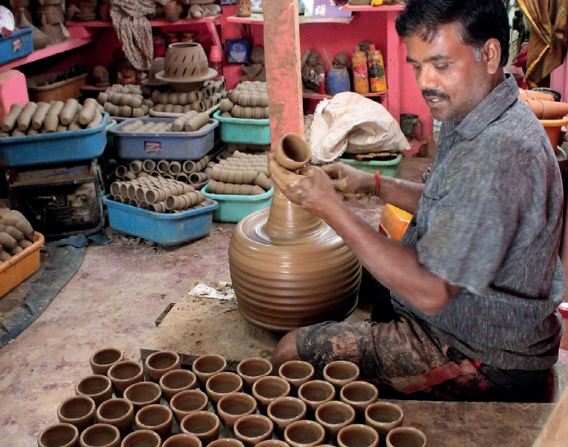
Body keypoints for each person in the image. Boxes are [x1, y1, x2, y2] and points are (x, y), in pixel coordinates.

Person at [270, 0, 565, 401]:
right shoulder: (478, 111)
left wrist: (330, 207)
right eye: (416, 65)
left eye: (441, 65)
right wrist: (371, 183)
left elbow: (431, 291)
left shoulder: (500, 151)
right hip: (467, 316)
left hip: (483, 354)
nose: (425, 81)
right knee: (359, 283)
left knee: (292, 350)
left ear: (490, 54)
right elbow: (453, 204)